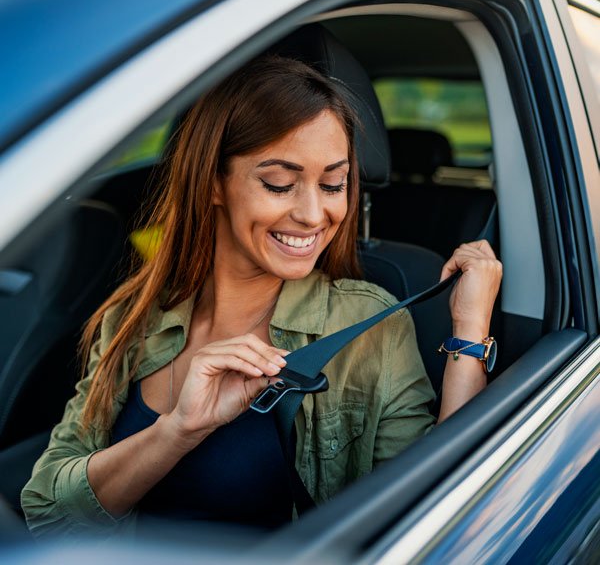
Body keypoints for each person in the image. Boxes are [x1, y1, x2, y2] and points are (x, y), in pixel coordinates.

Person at [21, 55, 502, 537]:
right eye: (279, 184)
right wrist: (177, 431)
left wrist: (469, 333)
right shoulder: (133, 316)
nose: (314, 214)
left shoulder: (369, 323)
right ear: (213, 182)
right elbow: (48, 510)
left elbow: (440, 509)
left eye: (333, 184)